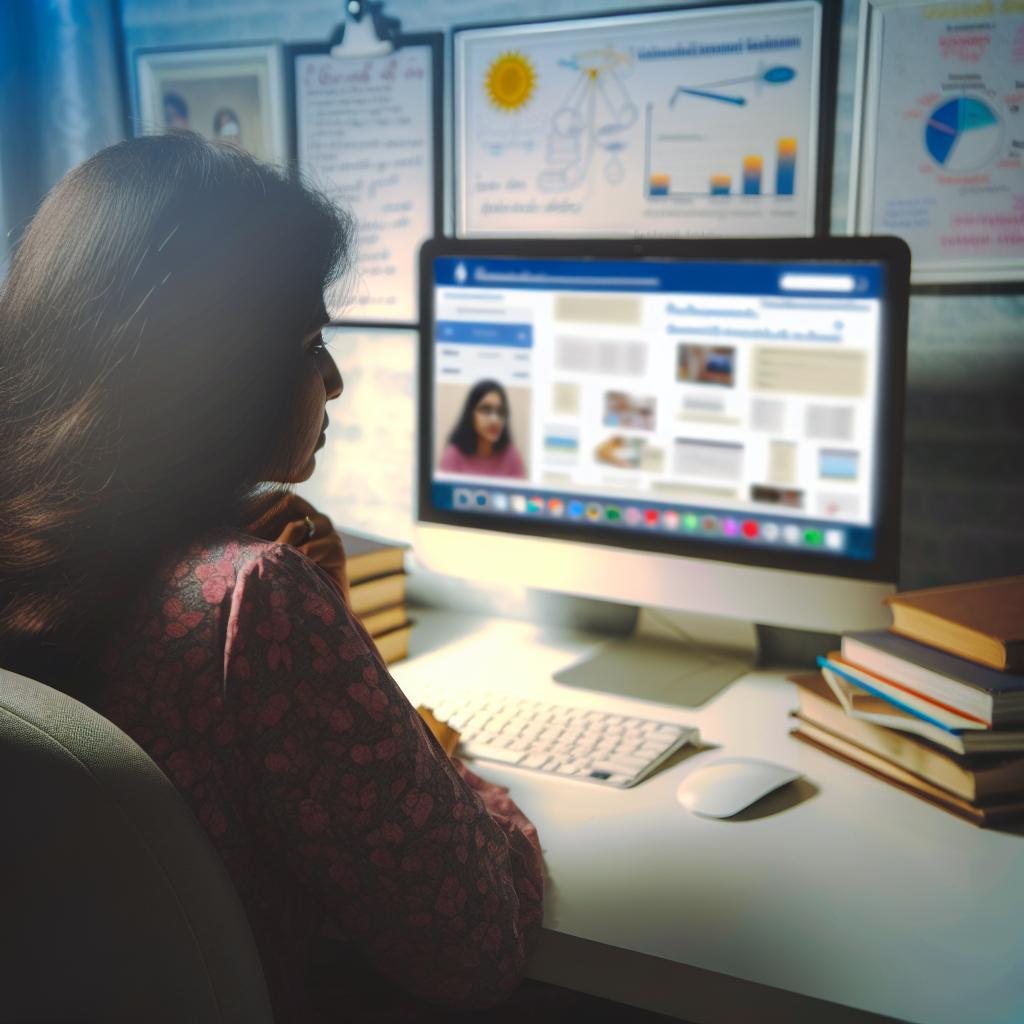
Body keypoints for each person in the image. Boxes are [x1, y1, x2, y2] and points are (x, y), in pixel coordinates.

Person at [0, 132, 542, 1023]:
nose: (332, 379)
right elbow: (472, 945)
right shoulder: (250, 601)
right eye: (307, 340)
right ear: (212, 365)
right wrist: (448, 770)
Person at [439, 380, 527, 479]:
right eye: (486, 410)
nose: (495, 420)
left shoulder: (511, 457)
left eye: (500, 412)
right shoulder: (454, 455)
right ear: (471, 414)